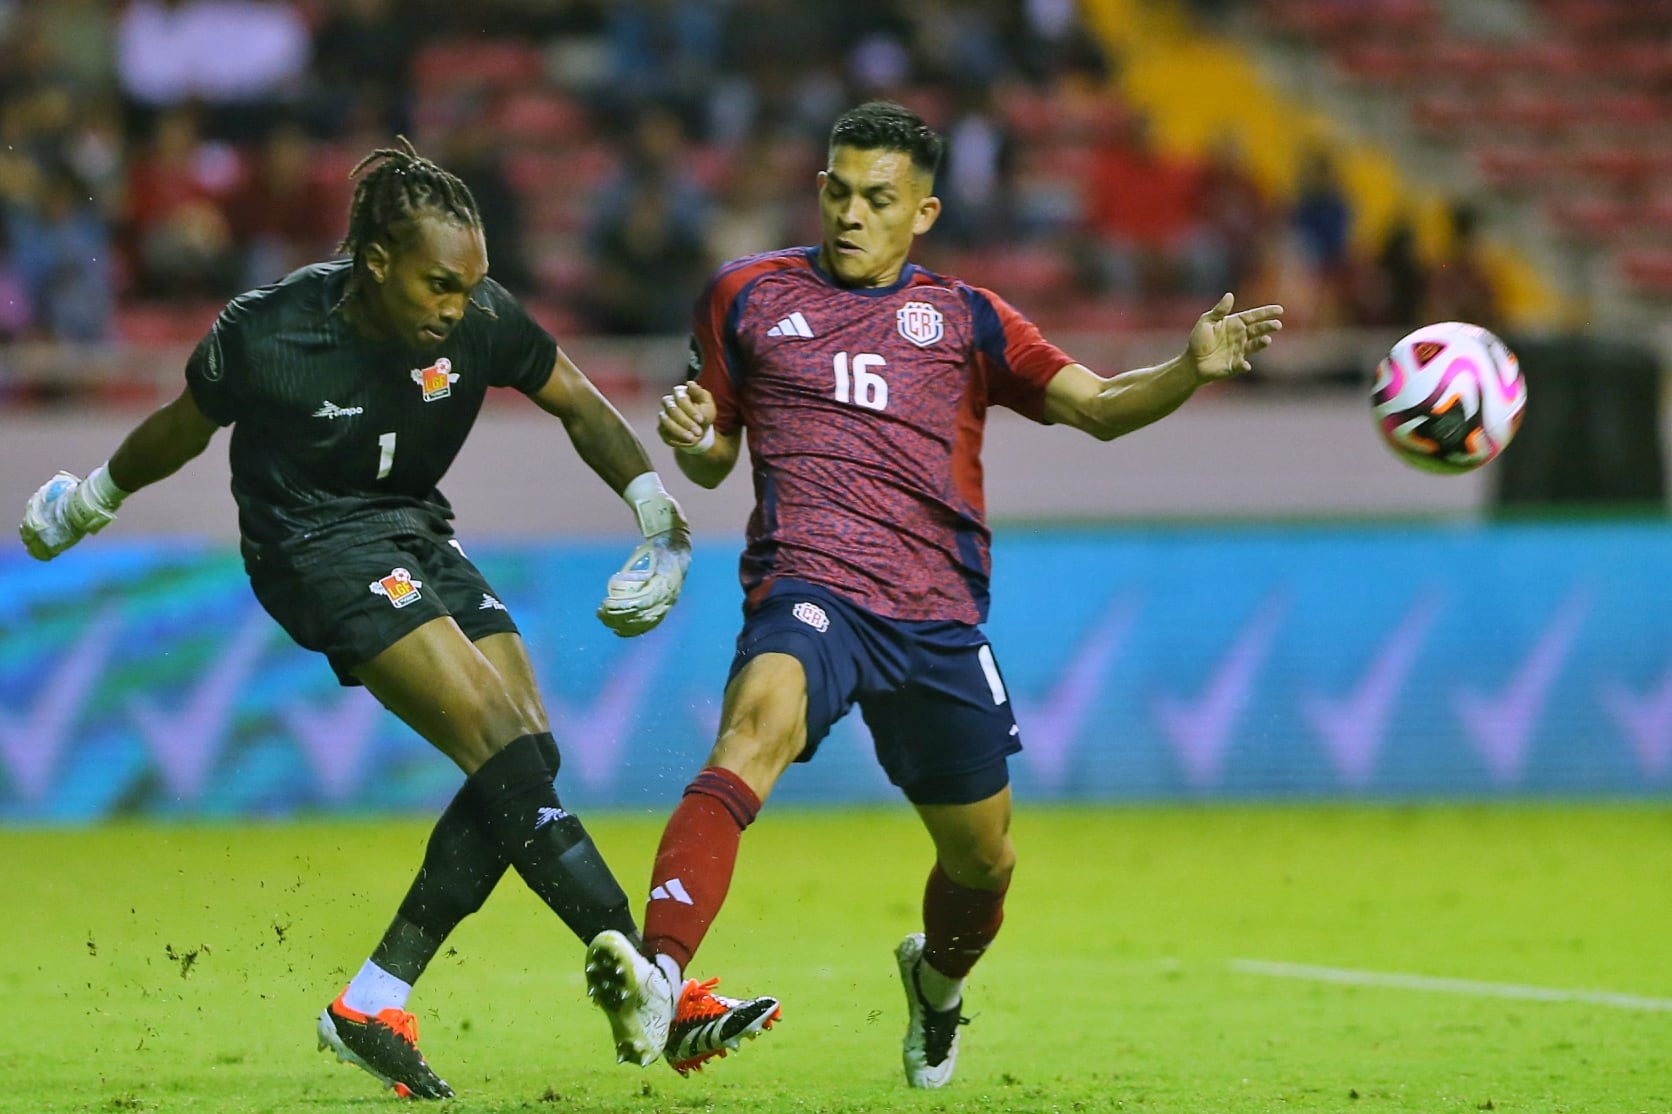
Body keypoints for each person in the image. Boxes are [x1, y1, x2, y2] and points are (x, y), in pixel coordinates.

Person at [17, 138, 778, 1098]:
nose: (457, 309)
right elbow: (183, 422)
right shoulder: (270, 333)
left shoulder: (478, 317)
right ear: (376, 262)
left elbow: (579, 404)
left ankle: (373, 1001)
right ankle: (644, 975)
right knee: (503, 746)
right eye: (438, 287)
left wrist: (659, 519)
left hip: (416, 529)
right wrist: (89, 499)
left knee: (526, 759)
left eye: (471, 288)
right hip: (310, 548)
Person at [581, 101, 1283, 1089]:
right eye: (837, 189)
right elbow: (712, 459)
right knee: (752, 728)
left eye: (877, 198)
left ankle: (938, 984)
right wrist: (696, 437)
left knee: (983, 860)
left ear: (923, 212)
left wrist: (1189, 368)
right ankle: (658, 975)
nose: (849, 214)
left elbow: (1099, 409)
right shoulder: (743, 296)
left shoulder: (967, 319)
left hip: (934, 616)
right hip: (808, 583)